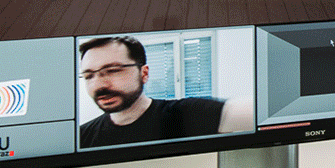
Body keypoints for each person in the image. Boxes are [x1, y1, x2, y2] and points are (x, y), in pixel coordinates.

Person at [77, 35, 252, 146]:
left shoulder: (184, 115)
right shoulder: (82, 137)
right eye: (89, 76)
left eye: (113, 70)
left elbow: (252, 113)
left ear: (144, 73)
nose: (99, 85)